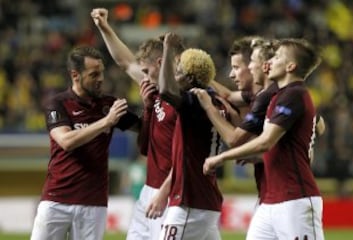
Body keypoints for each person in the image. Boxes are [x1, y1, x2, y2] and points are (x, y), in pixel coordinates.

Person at [203, 38, 325, 240]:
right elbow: (274, 144)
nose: (270, 61)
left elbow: (265, 141)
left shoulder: (295, 94)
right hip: (269, 201)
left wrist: (220, 158)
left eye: (277, 57)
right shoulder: (278, 96)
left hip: (295, 198)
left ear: (290, 66)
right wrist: (259, 156)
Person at [91, 8, 185, 240]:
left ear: (161, 64)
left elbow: (189, 153)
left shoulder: (185, 98)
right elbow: (125, 63)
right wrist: (104, 27)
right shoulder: (154, 91)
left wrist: (163, 193)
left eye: (147, 70)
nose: (144, 76)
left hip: (172, 190)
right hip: (149, 188)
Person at [30, 46, 140, 240]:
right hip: (56, 199)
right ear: (75, 75)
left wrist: (153, 100)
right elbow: (66, 141)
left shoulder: (108, 105)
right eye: (94, 74)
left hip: (93, 203)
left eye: (102, 73)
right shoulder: (58, 104)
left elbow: (146, 128)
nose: (101, 79)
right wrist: (107, 121)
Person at [146, 33, 228, 240]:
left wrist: (168, 48)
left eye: (179, 72)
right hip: (206, 199)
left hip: (191, 201)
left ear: (191, 79)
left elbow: (165, 90)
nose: (175, 76)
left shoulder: (195, 101)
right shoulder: (214, 100)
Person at [192, 37, 279, 203]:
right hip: (270, 193)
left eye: (236, 67)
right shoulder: (258, 95)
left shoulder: (270, 96)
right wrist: (202, 77)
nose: (231, 74)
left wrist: (209, 108)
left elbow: (233, 139)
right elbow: (228, 96)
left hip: (284, 194)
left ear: (254, 65)